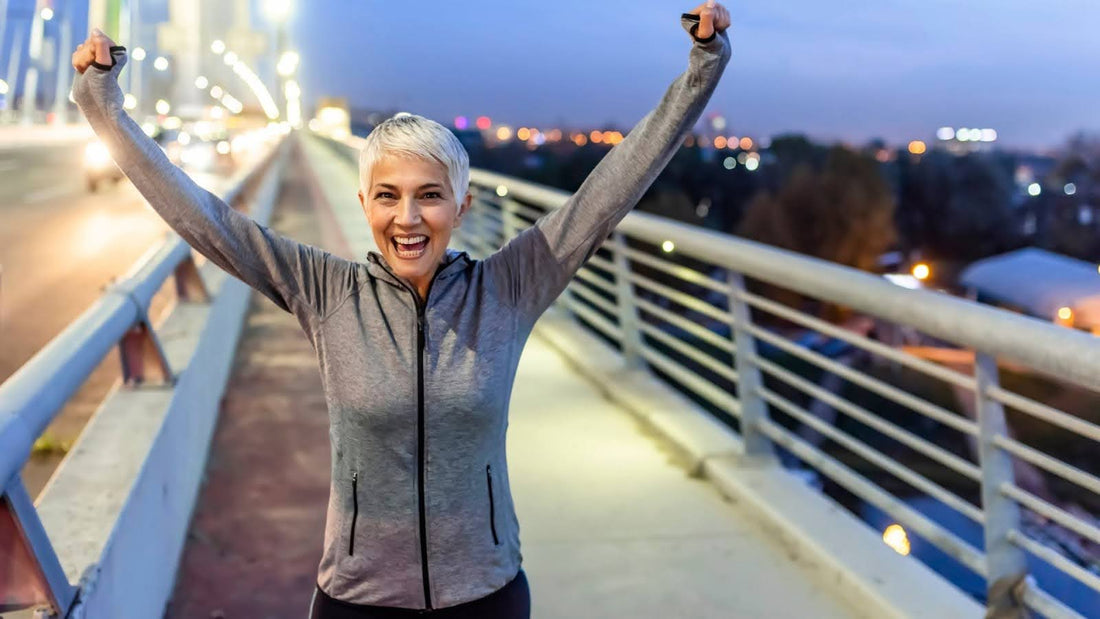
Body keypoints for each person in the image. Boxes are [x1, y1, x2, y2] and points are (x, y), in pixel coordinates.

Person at [71, 3, 731, 617]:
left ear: (461, 207)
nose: (408, 218)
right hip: (357, 599)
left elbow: (610, 190)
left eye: (430, 196)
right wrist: (103, 106)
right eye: (387, 195)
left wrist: (703, 67)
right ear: (364, 206)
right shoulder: (326, 294)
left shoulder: (509, 286)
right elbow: (203, 218)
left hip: (487, 593)